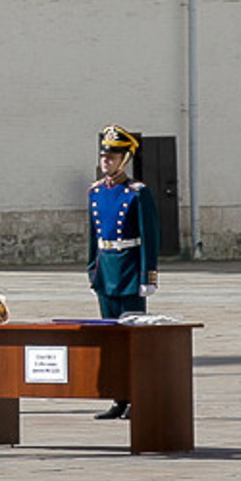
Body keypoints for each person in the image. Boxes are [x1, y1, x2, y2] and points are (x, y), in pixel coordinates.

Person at [85, 124, 161, 421]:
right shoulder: (95, 192)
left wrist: (148, 275)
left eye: (112, 156)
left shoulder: (137, 193)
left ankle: (137, 397)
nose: (106, 161)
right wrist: (92, 269)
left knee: (133, 340)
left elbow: (149, 236)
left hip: (129, 271)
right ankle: (119, 397)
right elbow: (93, 236)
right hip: (106, 270)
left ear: (124, 159)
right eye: (104, 156)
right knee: (111, 341)